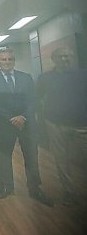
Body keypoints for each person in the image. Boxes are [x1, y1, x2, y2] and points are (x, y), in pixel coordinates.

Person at [0, 48, 51, 206]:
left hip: (26, 124)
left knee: (31, 157)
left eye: (10, 59)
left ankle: (34, 188)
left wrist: (23, 117)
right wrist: (10, 118)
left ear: (14, 61)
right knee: (4, 157)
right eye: (3, 60)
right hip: (4, 125)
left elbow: (33, 100)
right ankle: (7, 186)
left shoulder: (26, 78)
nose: (7, 62)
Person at [36, 47, 87, 205]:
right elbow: (38, 98)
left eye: (68, 56)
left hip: (81, 124)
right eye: (61, 56)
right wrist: (43, 120)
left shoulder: (82, 75)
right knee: (61, 160)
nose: (65, 59)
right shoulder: (45, 78)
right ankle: (69, 192)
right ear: (54, 59)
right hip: (55, 123)